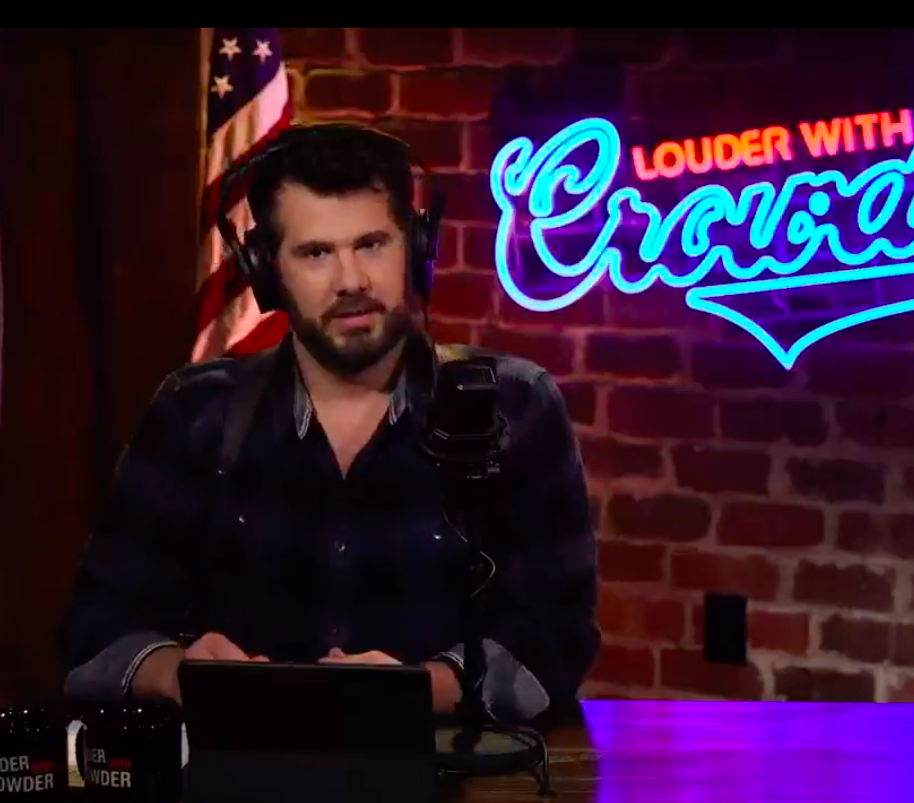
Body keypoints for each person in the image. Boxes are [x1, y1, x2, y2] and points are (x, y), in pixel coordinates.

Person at [56, 123, 598, 724]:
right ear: (266, 271)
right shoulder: (195, 411)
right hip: (241, 764)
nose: (351, 280)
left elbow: (556, 637)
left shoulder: (514, 407)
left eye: (372, 244)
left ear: (416, 248)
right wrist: (179, 674)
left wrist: (420, 690)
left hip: (446, 765)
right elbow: (96, 630)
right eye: (315, 253)